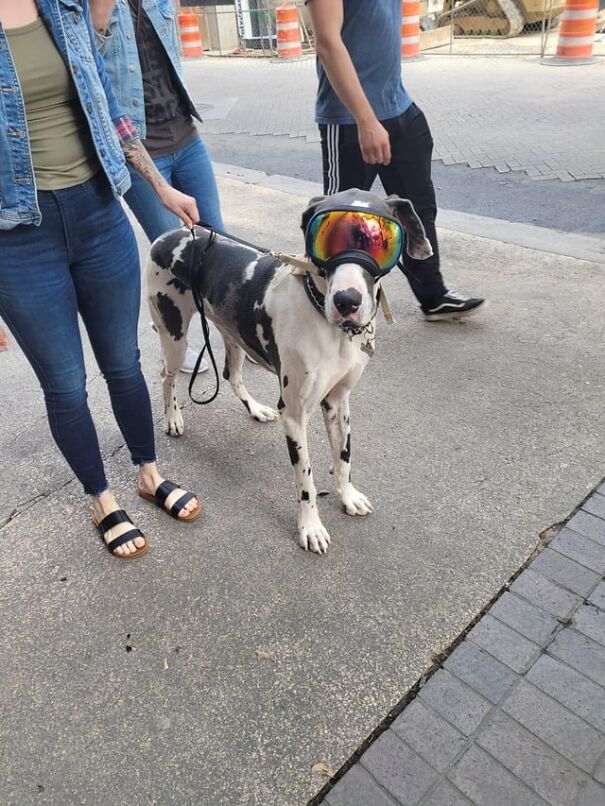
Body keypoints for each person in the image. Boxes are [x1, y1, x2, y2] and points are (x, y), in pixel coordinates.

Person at [0, 0, 203, 559]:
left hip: (97, 214)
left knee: (123, 362)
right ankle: (101, 499)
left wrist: (159, 187)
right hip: (18, 240)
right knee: (65, 383)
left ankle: (148, 471)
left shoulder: (62, 6)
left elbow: (109, 110)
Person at [306, 0, 487, 321]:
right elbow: (328, 43)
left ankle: (433, 297)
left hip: (400, 107)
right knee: (339, 222)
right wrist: (366, 120)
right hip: (349, 119)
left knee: (417, 210)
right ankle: (324, 305)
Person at [90, 0, 224, 372]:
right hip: (138, 152)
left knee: (218, 244)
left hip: (186, 137)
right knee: (176, 256)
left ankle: (236, 330)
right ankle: (173, 332)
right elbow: (87, 72)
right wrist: (99, 16)